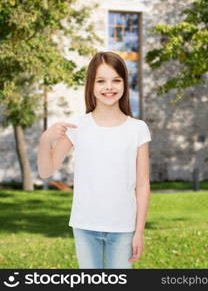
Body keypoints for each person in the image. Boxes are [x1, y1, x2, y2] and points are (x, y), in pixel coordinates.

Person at [37, 51, 152, 269]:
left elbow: (143, 184)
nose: (109, 87)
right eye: (101, 81)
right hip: (85, 224)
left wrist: (139, 231)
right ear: (91, 85)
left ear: (125, 84)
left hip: (123, 227)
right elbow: (46, 170)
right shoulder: (78, 126)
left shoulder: (137, 129)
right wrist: (45, 139)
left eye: (116, 80)